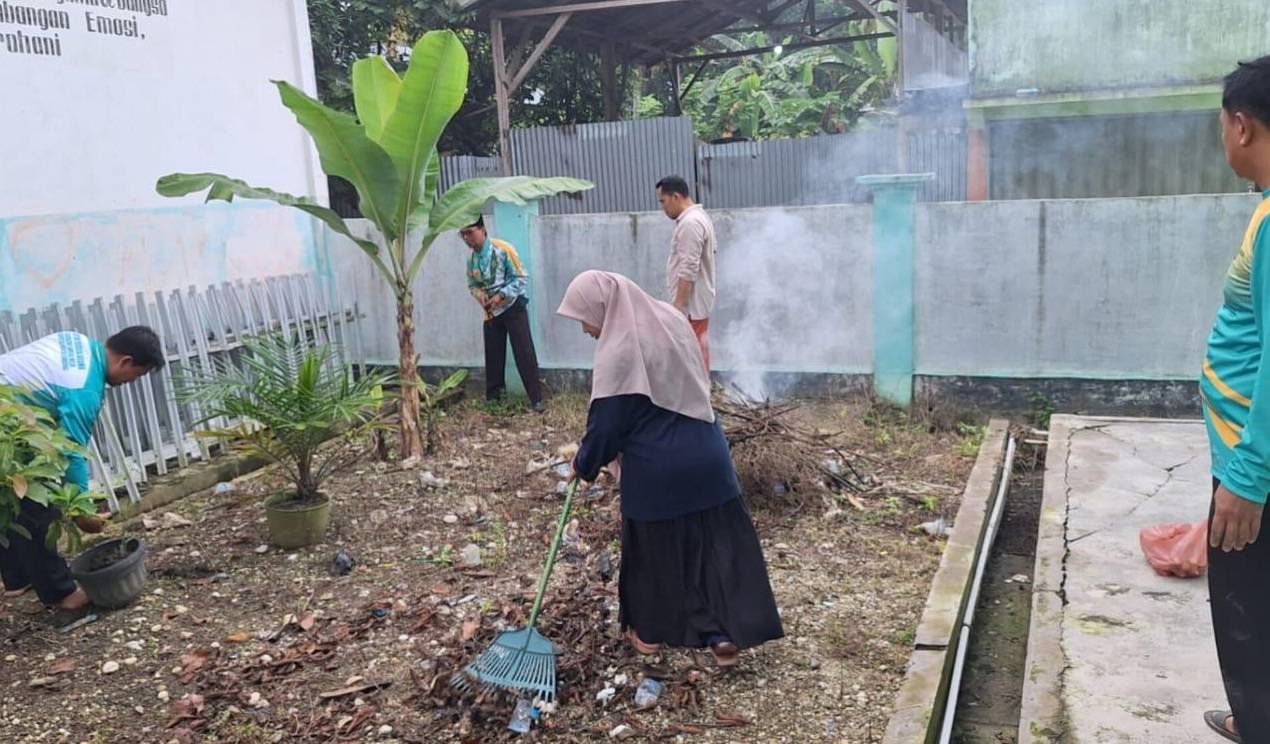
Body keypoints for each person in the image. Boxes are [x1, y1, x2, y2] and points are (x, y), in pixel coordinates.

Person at [560, 270, 782, 666]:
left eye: (584, 319)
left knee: (654, 554)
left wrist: (584, 461)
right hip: (709, 458)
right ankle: (722, 634)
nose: (585, 330)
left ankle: (648, 633)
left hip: (658, 472)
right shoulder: (671, 320)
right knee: (713, 549)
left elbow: (610, 422)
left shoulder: (620, 349)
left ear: (602, 308)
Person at [1198, 55, 1270, 744]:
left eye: (1222, 126)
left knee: (1249, 622)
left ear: (1242, 125)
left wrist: (1246, 479)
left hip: (1255, 469)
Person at [0, 327, 164, 617]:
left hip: (9, 415)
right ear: (125, 361)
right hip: (6, 420)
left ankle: (16, 578)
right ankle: (61, 594)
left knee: (9, 498)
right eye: (136, 375)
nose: (130, 383)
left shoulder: (78, 342)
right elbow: (71, 451)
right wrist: (81, 512)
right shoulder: (84, 388)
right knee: (35, 504)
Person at [461, 216, 546, 413]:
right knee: (493, 357)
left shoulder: (503, 249)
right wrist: (481, 297)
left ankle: (537, 400)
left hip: (512, 307)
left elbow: (521, 278)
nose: (467, 238)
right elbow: (472, 285)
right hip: (490, 312)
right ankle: (495, 402)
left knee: (524, 353)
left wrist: (501, 295)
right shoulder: (471, 259)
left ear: (482, 229)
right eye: (463, 234)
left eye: (470, 232)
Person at [656, 175, 718, 372]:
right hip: (696, 304)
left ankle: (697, 398)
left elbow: (688, 268)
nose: (662, 208)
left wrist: (679, 307)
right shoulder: (699, 218)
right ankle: (700, 395)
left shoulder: (690, 223)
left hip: (691, 306)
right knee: (697, 350)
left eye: (663, 201)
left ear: (676, 197)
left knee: (692, 355)